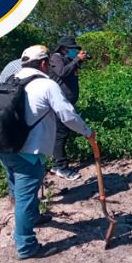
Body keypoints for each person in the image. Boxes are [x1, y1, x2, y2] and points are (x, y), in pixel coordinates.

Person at [0, 44, 94, 259]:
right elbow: (67, 115)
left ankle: (34, 216)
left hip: (3, 146)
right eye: (48, 63)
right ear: (43, 63)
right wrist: (87, 132)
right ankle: (26, 247)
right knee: (25, 198)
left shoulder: (11, 79)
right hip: (27, 152)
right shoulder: (46, 85)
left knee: (16, 187)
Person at [47, 35, 88, 179]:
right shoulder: (56, 58)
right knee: (60, 134)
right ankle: (62, 168)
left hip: (66, 102)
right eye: (71, 49)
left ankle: (56, 165)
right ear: (64, 48)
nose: (73, 51)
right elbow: (62, 72)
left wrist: (78, 61)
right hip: (59, 103)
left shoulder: (67, 59)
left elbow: (69, 71)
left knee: (61, 134)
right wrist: (76, 59)